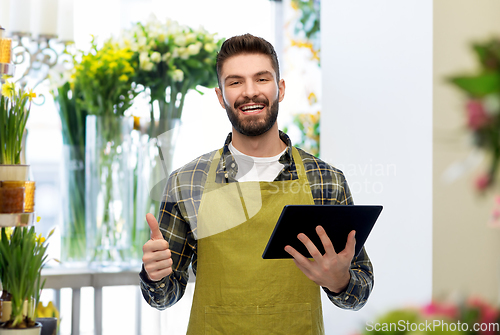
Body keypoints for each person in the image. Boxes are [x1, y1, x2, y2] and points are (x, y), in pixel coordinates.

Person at [140, 34, 373, 334]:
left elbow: (360, 290)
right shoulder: (187, 181)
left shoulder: (325, 179)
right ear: (220, 96)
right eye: (235, 82)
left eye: (262, 79)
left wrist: (341, 281)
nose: (250, 92)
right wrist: (154, 275)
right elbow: (163, 298)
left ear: (281, 88)